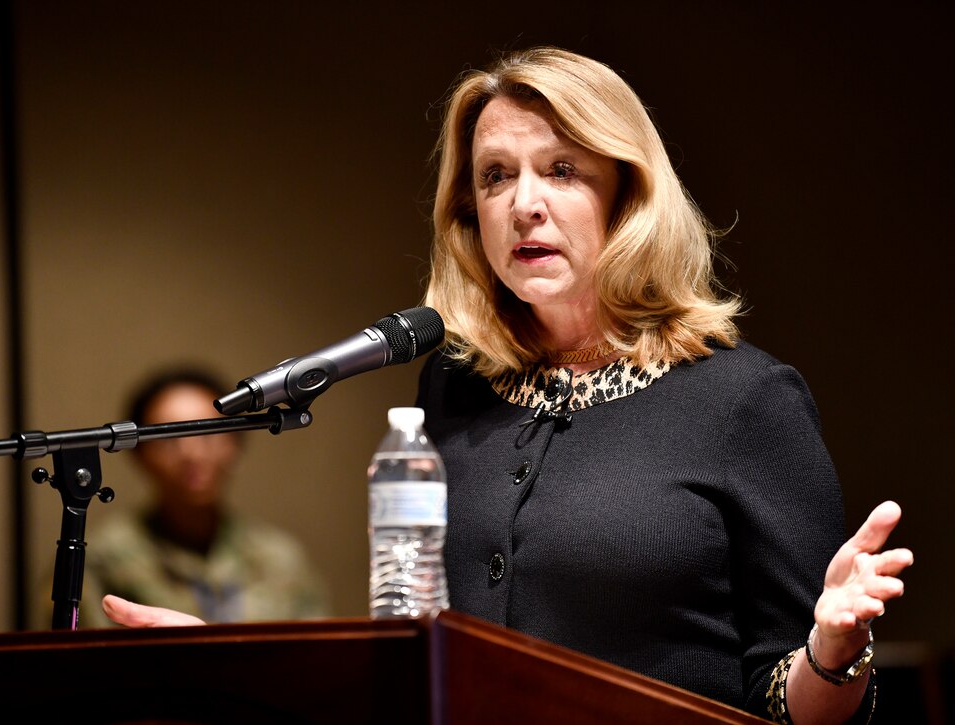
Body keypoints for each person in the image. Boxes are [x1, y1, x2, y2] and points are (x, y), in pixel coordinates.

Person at [99, 48, 913, 724]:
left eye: (561, 169)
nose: (525, 204)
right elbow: (418, 666)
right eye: (495, 176)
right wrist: (235, 666)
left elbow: (791, 703)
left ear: (626, 195)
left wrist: (830, 653)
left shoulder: (742, 400)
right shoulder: (450, 391)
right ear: (469, 213)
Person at [68, 366, 329, 628]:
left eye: (208, 433)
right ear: (139, 454)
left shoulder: (278, 558)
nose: (191, 454)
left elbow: (320, 658)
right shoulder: (104, 560)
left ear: (235, 445)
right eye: (168, 438)